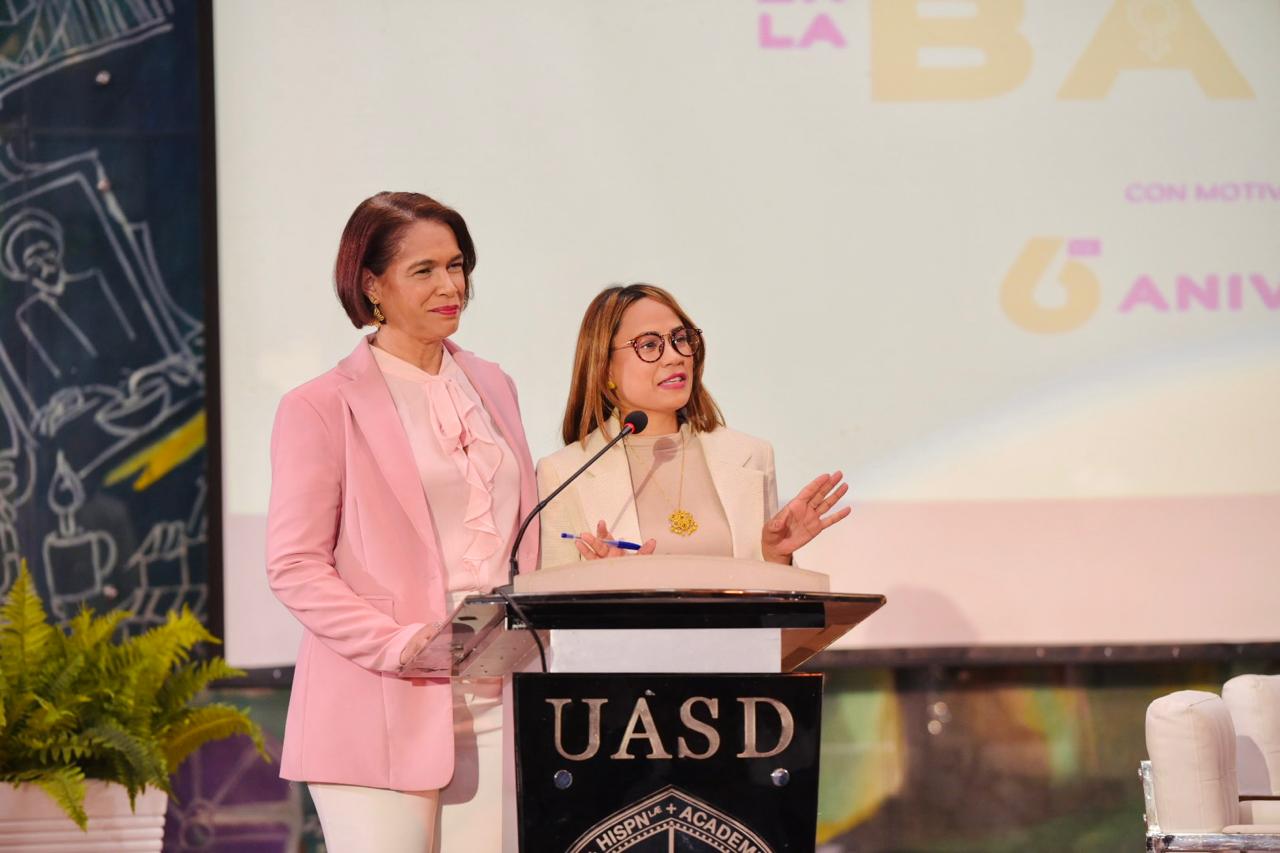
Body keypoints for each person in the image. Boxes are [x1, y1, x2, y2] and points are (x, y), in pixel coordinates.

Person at [266, 192, 537, 852]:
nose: (452, 285)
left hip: (502, 690)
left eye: (458, 264)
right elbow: (294, 565)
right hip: (379, 698)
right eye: (425, 270)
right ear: (371, 285)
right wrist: (401, 643)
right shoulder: (320, 405)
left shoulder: (493, 383)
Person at [537, 283, 848, 568]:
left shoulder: (751, 455)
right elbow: (547, 612)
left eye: (680, 339)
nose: (674, 356)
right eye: (648, 345)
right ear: (605, 369)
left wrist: (776, 556)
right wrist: (606, 582)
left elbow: (767, 609)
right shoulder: (564, 474)